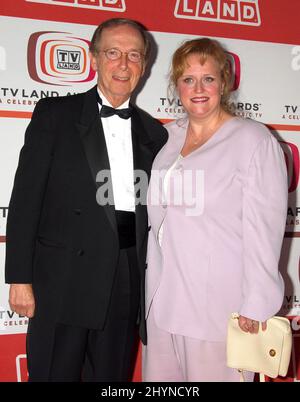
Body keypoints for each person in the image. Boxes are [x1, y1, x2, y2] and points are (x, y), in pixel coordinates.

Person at [5, 18, 167, 382]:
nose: (123, 64)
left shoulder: (154, 133)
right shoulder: (55, 115)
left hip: (125, 279)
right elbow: (25, 199)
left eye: (134, 55)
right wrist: (19, 277)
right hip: (61, 278)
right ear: (94, 58)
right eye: (112, 53)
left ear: (144, 66)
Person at [143, 38, 287, 382]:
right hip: (162, 301)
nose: (198, 88)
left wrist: (257, 302)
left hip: (218, 305)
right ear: (176, 85)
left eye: (208, 78)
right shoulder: (166, 138)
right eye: (188, 79)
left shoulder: (253, 140)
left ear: (224, 82)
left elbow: (263, 228)